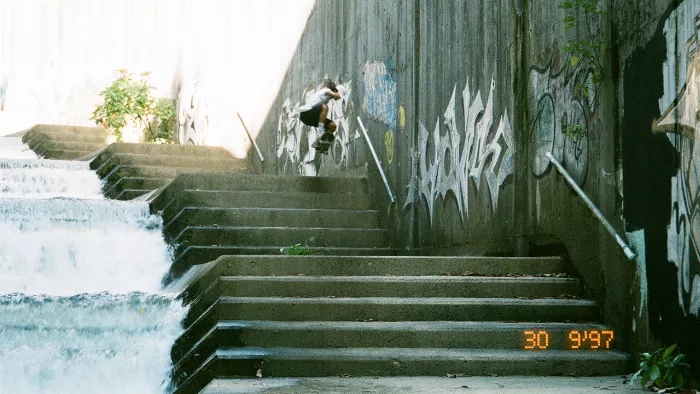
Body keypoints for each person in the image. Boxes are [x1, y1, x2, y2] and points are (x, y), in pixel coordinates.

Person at [298, 79, 343, 154]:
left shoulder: (325, 95)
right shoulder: (325, 90)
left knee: (332, 126)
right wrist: (339, 93)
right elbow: (334, 95)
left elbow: (334, 96)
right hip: (306, 113)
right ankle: (320, 133)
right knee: (324, 107)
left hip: (311, 118)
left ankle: (320, 143)